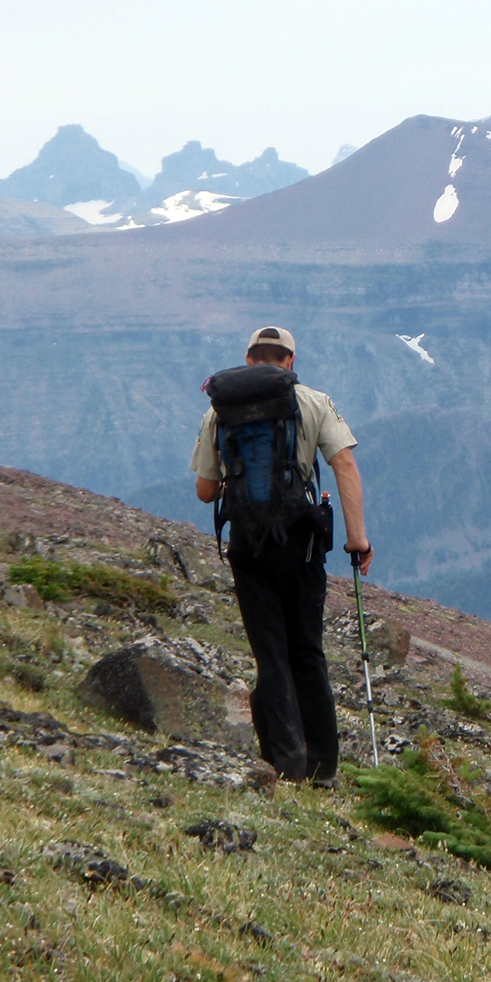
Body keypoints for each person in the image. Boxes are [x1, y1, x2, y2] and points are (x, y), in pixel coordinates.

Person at [192, 326, 371, 784]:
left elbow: (205, 490)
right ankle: (322, 768)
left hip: (249, 547)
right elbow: (344, 464)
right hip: (301, 545)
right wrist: (357, 539)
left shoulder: (221, 410)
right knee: (307, 651)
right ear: (290, 361)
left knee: (270, 654)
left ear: (249, 359)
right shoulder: (313, 402)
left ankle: (283, 762)